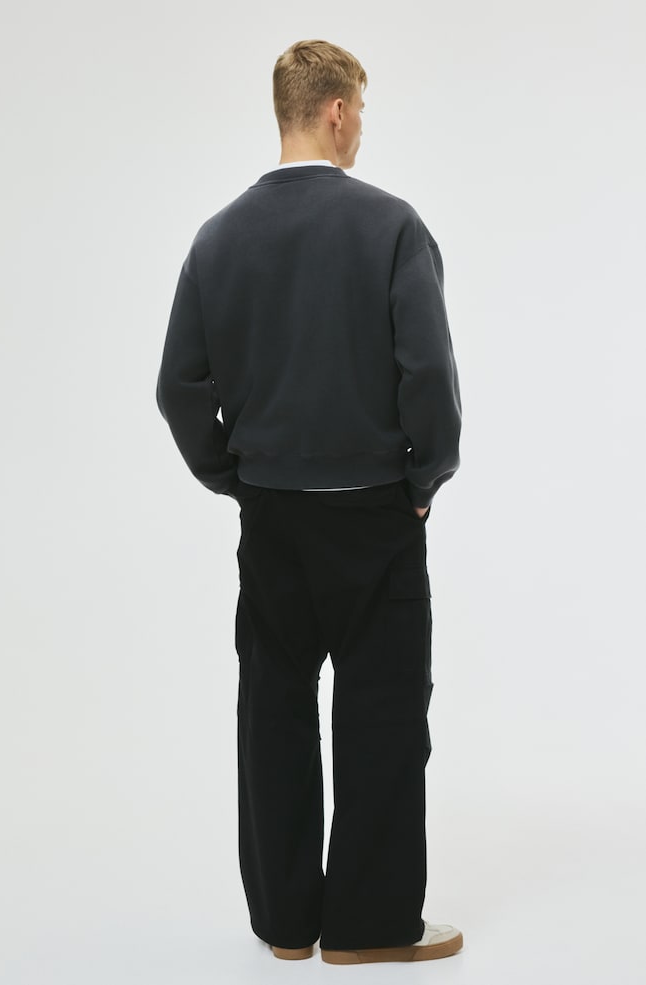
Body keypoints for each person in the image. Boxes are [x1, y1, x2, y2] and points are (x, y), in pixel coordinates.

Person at [155, 38, 463, 965]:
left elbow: (178, 387)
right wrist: (423, 479)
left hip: (273, 518)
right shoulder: (391, 227)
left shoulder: (217, 238)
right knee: (381, 716)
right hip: (374, 515)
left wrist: (233, 475)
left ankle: (286, 925)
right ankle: (368, 929)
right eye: (359, 109)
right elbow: (428, 377)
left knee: (274, 711)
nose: (360, 125)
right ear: (334, 111)